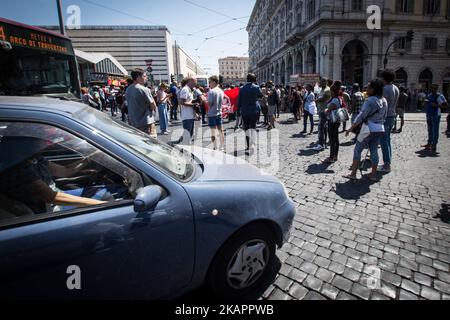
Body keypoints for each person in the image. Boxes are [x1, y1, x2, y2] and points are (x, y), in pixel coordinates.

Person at [344, 78, 388, 182]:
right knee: (373, 150)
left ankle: (353, 173)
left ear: (373, 89)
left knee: (357, 150)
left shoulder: (370, 100)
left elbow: (361, 116)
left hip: (368, 129)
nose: (366, 88)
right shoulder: (384, 100)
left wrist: (350, 128)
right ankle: (373, 174)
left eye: (368, 86)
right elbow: (385, 117)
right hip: (379, 128)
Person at [125, 69, 157, 137]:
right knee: (152, 143)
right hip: (146, 122)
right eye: (144, 76)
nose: (146, 78)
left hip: (133, 122)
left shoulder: (128, 89)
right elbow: (153, 105)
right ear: (138, 78)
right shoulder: (144, 89)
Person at [237, 73, 263, 155]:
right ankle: (253, 144)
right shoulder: (256, 87)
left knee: (246, 128)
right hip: (254, 111)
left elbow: (239, 101)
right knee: (253, 127)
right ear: (253, 79)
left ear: (247, 79)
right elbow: (261, 95)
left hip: (245, 111)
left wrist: (238, 110)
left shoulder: (242, 88)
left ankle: (248, 145)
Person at [379, 69, 399, 173]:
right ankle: (388, 162)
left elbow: (382, 105)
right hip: (392, 115)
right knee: (387, 140)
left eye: (382, 77)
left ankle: (387, 165)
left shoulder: (385, 88)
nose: (381, 79)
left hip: (386, 117)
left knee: (384, 141)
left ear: (384, 78)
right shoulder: (395, 87)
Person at [422, 84, 448, 153]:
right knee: (429, 130)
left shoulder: (440, 96)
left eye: (434, 88)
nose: (433, 89)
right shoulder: (429, 95)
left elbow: (446, 105)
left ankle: (434, 145)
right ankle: (429, 143)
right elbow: (426, 103)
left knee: (435, 131)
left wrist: (437, 105)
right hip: (429, 114)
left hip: (436, 115)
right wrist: (424, 103)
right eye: (432, 88)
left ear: (436, 89)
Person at [323, 81, 344, 163]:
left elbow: (328, 110)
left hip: (332, 121)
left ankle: (331, 157)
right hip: (336, 121)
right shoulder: (339, 98)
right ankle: (335, 156)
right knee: (336, 139)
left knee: (332, 139)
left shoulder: (335, 100)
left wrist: (326, 110)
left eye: (331, 91)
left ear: (333, 91)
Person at [179, 77, 200, 145]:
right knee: (187, 135)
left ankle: (186, 149)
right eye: (195, 82)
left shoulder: (189, 89)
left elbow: (189, 101)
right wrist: (194, 104)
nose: (195, 83)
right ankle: (185, 150)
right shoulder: (185, 89)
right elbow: (182, 102)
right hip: (187, 116)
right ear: (190, 81)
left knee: (189, 135)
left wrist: (195, 112)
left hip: (190, 115)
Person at [207, 76, 225, 151]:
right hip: (219, 113)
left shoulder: (211, 91)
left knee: (213, 132)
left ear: (214, 82)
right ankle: (222, 147)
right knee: (221, 130)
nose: (209, 84)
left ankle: (215, 147)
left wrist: (205, 101)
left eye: (210, 82)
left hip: (212, 114)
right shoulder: (221, 91)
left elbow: (210, 103)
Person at [313, 78, 331, 151]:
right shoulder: (321, 90)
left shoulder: (327, 89)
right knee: (324, 127)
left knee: (321, 127)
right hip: (321, 110)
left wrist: (316, 100)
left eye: (323, 81)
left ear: (326, 82)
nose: (322, 83)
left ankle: (321, 144)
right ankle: (324, 143)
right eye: (321, 81)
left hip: (324, 111)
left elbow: (324, 98)